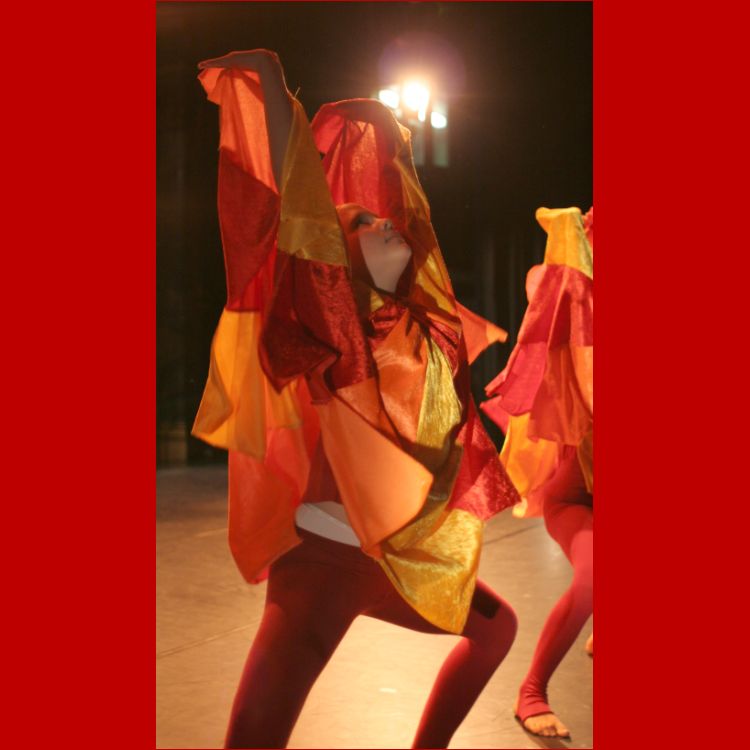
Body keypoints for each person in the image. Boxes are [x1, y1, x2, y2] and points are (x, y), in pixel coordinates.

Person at [191, 49, 521, 749]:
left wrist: (388, 141)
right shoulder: (339, 325)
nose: (383, 222)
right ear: (336, 261)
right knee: (253, 739)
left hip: (395, 567)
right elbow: (301, 212)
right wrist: (272, 85)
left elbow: (409, 214)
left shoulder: (422, 325)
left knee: (498, 629)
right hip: (325, 566)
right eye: (362, 223)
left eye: (381, 217)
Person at [482, 205, 593, 739]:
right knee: (593, 579)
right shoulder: (585, 358)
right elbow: (559, 299)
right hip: (577, 502)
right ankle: (531, 690)